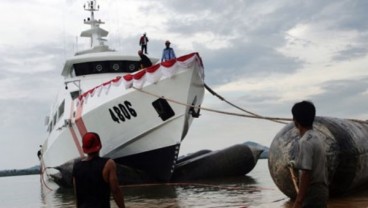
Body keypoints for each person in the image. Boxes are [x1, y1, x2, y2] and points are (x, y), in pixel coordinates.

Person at [291, 101, 328, 208]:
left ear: (296, 120)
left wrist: (298, 201)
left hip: (313, 193)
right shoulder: (317, 137)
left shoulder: (305, 141)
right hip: (322, 190)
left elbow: (306, 173)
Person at [73, 132, 125, 208]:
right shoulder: (108, 164)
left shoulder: (76, 167)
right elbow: (115, 190)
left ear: (84, 148)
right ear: (100, 145)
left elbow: (77, 194)